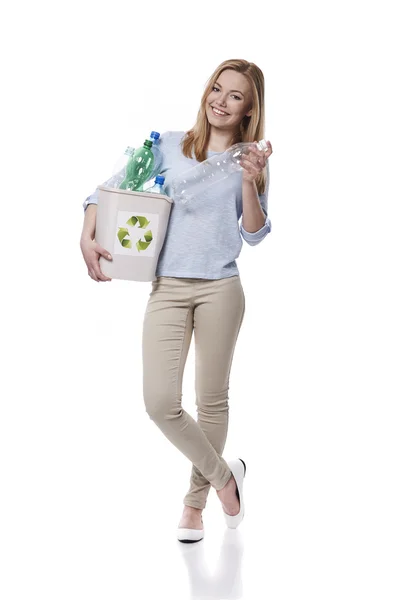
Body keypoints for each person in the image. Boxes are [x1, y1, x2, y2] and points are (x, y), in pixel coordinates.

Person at [79, 58, 273, 543]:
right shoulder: (166, 145)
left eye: (234, 96)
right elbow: (105, 192)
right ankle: (227, 479)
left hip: (221, 288)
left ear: (249, 109)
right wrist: (87, 235)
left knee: (211, 401)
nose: (220, 101)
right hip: (166, 286)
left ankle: (194, 506)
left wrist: (250, 182)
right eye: (217, 88)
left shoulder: (251, 160)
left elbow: (254, 234)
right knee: (161, 402)